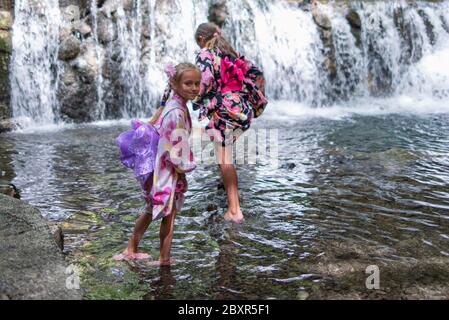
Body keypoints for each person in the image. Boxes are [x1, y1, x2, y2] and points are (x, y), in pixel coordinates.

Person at [114, 62, 199, 265]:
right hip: (167, 173)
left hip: (159, 169)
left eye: (197, 83)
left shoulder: (174, 105)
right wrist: (183, 168)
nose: (194, 88)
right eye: (188, 83)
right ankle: (164, 258)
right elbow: (173, 147)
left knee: (150, 210)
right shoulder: (176, 112)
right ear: (174, 83)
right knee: (169, 216)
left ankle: (131, 248)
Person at [193, 22, 267, 224]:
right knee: (224, 154)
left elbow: (205, 81)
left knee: (225, 158)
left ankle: (234, 211)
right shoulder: (230, 53)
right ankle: (227, 190)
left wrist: (197, 99)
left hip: (225, 109)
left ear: (201, 39)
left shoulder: (205, 54)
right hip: (241, 110)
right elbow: (257, 73)